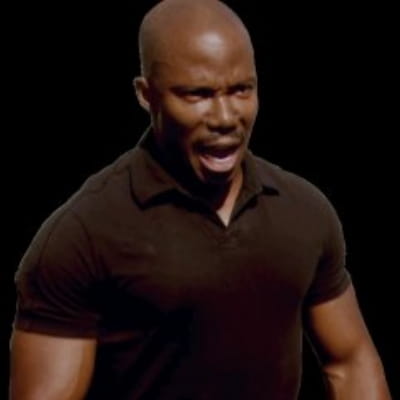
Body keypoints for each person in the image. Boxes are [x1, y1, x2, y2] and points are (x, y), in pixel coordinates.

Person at [9, 0, 391, 399]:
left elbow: (350, 364)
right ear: (147, 95)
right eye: (198, 94)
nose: (225, 117)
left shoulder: (304, 212)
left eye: (241, 90)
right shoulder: (82, 236)